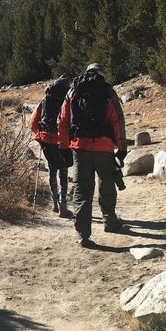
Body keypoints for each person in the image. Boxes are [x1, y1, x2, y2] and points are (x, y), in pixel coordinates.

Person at [58, 63, 127, 247]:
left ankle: (83, 234)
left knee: (81, 189)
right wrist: (121, 147)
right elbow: (117, 119)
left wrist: (64, 146)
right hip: (104, 147)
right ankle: (110, 221)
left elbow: (63, 120)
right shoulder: (107, 91)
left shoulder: (73, 91)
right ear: (100, 73)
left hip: (80, 148)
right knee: (107, 184)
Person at [30, 74, 73, 217]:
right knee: (64, 172)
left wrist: (39, 137)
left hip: (46, 139)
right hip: (62, 141)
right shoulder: (68, 99)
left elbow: (33, 122)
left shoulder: (46, 99)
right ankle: (63, 205)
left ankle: (54, 203)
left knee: (52, 171)